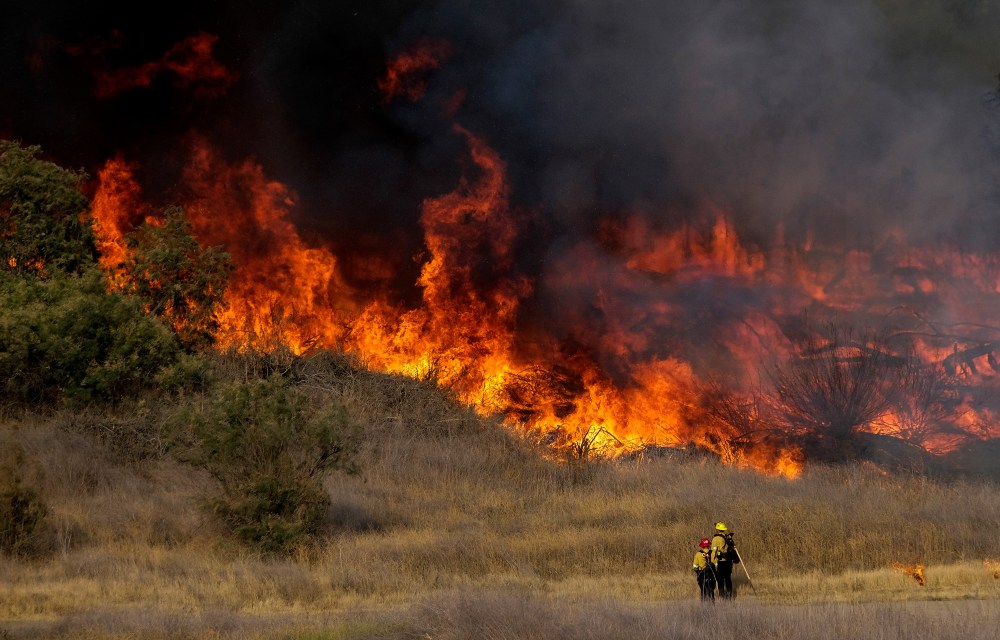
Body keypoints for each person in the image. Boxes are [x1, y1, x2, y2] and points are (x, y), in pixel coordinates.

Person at [710, 521, 740, 599]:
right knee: (728, 579)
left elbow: (714, 552)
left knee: (720, 580)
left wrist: (712, 562)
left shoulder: (716, 539)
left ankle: (722, 597)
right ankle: (729, 597)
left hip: (720, 562)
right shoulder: (727, 538)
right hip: (728, 562)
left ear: (717, 530)